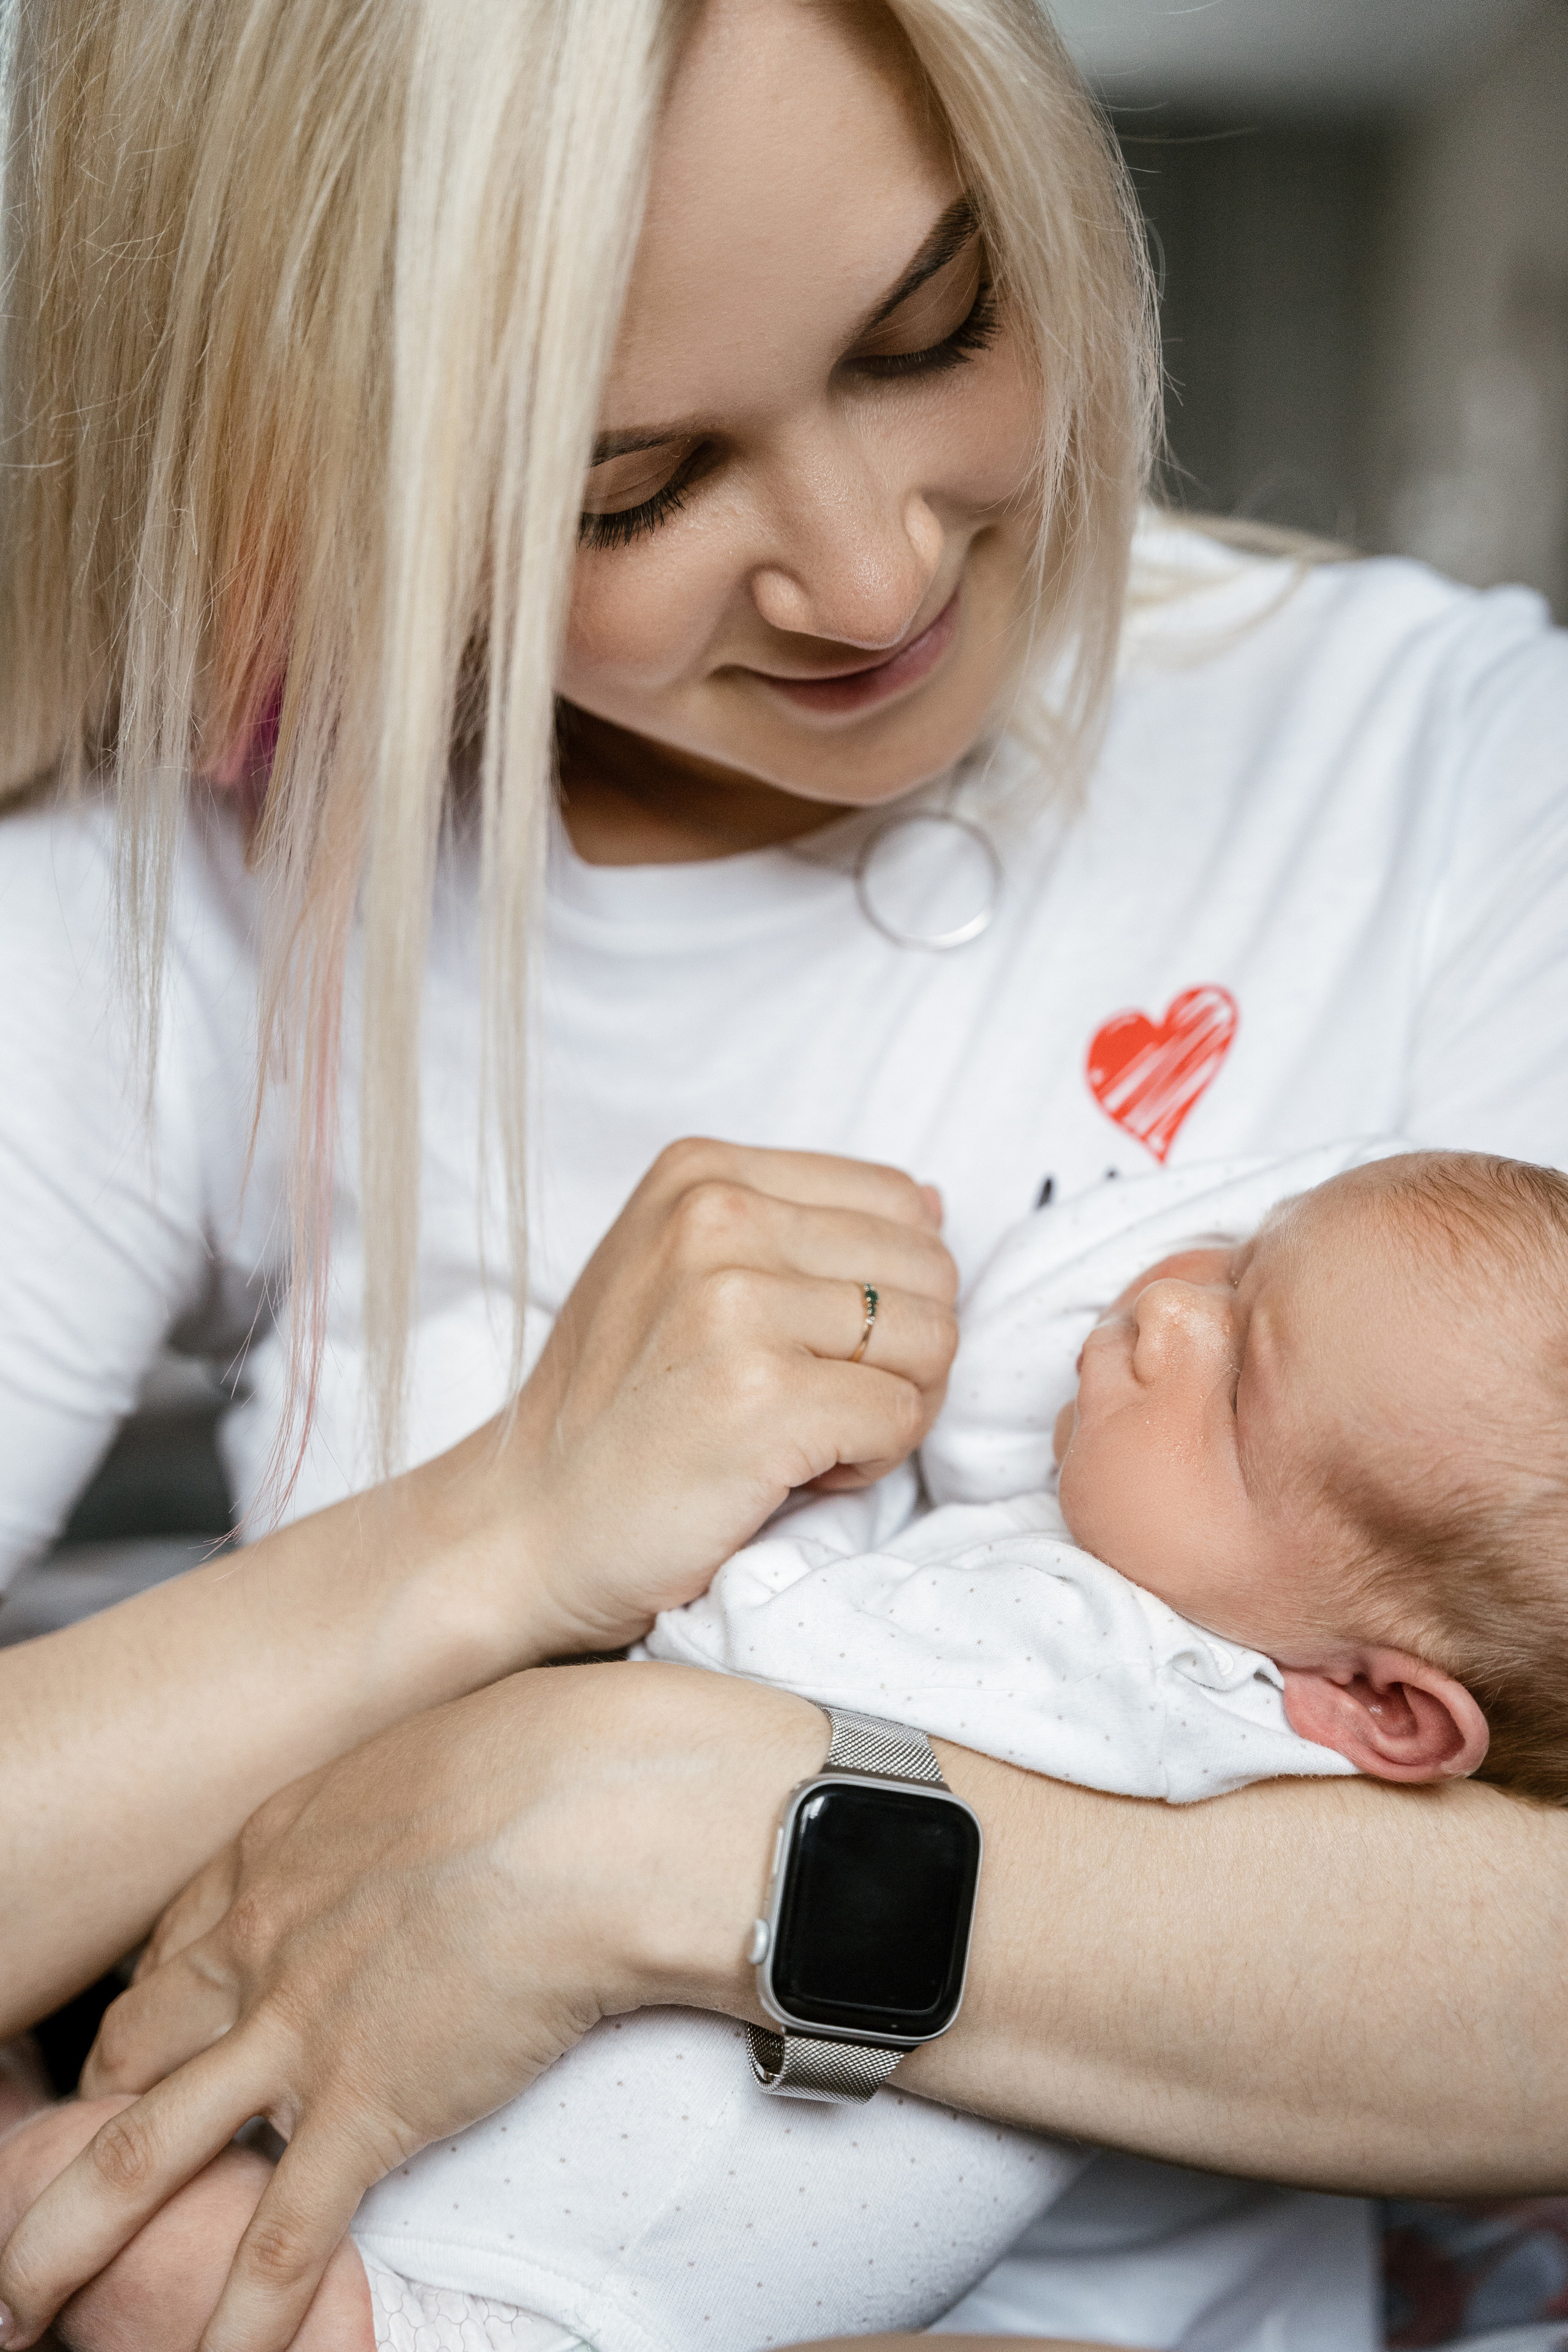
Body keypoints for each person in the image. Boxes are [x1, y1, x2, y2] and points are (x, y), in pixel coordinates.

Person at [0, 0, 1566, 2349]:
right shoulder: (197, 887)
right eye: (628, 486)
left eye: (939, 322)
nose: (867, 573)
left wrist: (647, 1832)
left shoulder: (1445, 765)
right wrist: (494, 1535)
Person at [10, 1137, 1565, 2352]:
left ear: (1379, 1710)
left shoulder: (1151, 1676)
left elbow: (771, 1660)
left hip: (549, 2286)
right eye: (1230, 1258)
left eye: (1235, 1389)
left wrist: (677, 1621)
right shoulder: (1198, 1569)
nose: (1160, 1302)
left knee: (116, 2243)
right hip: (452, 2160)